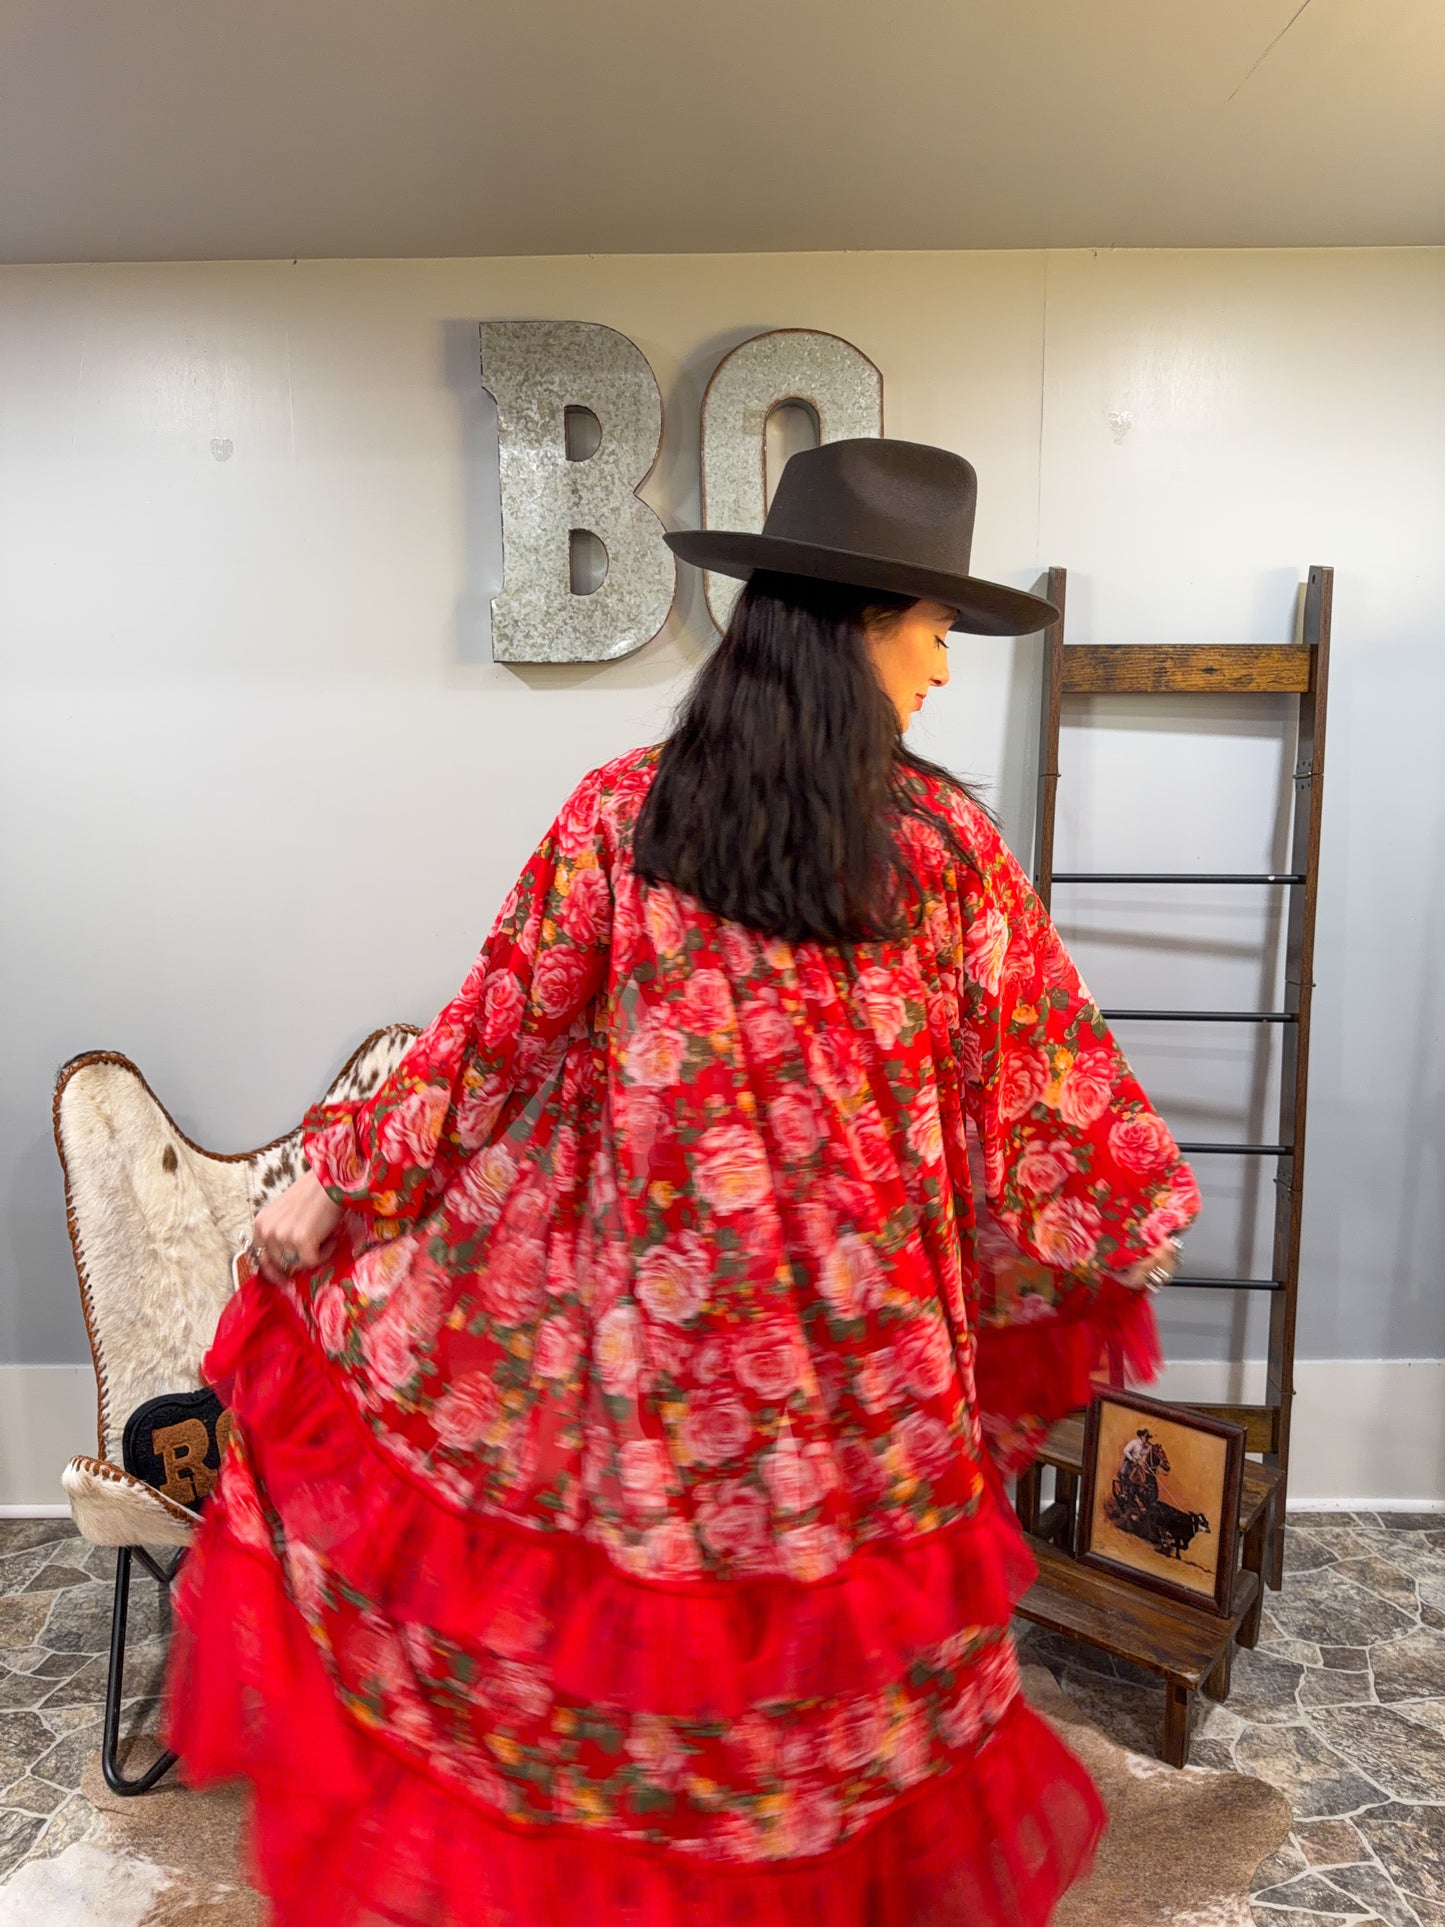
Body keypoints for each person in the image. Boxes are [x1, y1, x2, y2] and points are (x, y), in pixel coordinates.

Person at [163, 439, 1198, 1927]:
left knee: (666, 1698)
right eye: (934, 628)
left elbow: (487, 1042)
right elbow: (1045, 1088)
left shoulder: (639, 818)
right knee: (824, 1721)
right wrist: (1128, 1211)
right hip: (863, 1383)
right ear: (857, 627)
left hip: (671, 1381)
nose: (943, 667)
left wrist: (337, 1184)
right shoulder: (938, 849)